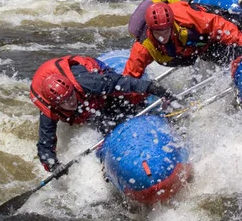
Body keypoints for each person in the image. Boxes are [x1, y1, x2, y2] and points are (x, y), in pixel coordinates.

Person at [30, 55, 174, 174]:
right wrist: (53, 166)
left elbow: (118, 83)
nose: (71, 102)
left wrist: (149, 87)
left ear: (73, 89)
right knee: (100, 122)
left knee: (123, 104)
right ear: (56, 105)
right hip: (63, 87)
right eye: (65, 102)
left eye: (71, 96)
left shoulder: (88, 83)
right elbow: (45, 144)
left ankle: (162, 116)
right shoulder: (48, 110)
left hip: (94, 71)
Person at [123, 0, 242, 79]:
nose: (162, 36)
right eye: (158, 32)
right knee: (226, 58)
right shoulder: (142, 47)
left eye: (166, 30)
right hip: (198, 49)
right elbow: (130, 76)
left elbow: (215, 24)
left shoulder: (182, 15)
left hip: (204, 21)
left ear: (172, 25)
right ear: (150, 29)